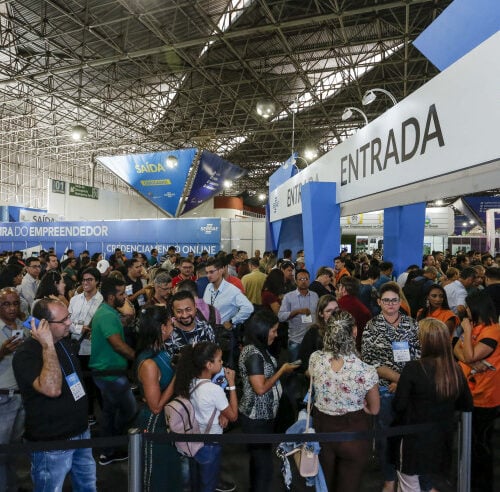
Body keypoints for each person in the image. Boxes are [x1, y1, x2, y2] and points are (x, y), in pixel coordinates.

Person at [12, 298, 96, 491]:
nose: (69, 323)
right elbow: (52, 389)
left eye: (69, 317)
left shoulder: (62, 342)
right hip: (52, 441)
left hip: (81, 432)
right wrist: (47, 345)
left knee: (88, 486)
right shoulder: (27, 354)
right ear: (43, 325)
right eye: (63, 320)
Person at [392, 318, 472, 491]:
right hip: (442, 440)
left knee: (410, 485)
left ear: (424, 341)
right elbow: (466, 404)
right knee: (434, 485)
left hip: (413, 441)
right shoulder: (455, 369)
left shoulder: (413, 369)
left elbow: (399, 405)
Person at [309, 311, 379, 492]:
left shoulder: (315, 359)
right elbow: (375, 408)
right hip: (353, 432)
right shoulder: (366, 370)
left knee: (323, 485)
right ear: (354, 332)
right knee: (350, 485)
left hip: (322, 430)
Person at [361, 283, 420, 492]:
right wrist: (396, 379)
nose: (391, 304)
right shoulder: (371, 326)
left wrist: (403, 382)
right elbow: (369, 362)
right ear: (379, 302)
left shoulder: (411, 325)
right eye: (386, 300)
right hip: (384, 390)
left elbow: (419, 356)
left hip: (410, 389)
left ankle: (408, 479)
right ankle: (389, 479)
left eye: (394, 300)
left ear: (400, 302)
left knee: (410, 437)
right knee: (385, 437)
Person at [238, 310, 298, 492]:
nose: (276, 334)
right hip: (256, 418)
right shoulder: (253, 354)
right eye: (273, 330)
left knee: (259, 465)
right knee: (264, 467)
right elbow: (261, 388)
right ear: (262, 330)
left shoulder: (257, 349)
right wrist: (282, 371)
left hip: (262, 417)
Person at [174, 342, 238, 492]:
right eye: (219, 360)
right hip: (210, 442)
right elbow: (234, 416)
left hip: (193, 440)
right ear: (209, 364)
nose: (222, 363)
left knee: (195, 482)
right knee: (208, 484)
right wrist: (232, 384)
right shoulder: (214, 390)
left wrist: (222, 413)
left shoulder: (189, 382)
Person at [453, 290, 500, 492]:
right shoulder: (476, 327)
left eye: (469, 308)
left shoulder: (492, 331)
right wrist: (468, 355)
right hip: (469, 392)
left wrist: (466, 332)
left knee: (480, 446)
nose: (467, 311)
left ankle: (482, 485)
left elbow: (469, 354)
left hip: (485, 396)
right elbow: (455, 347)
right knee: (470, 445)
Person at [90, 277, 136, 466]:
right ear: (111, 296)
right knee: (129, 410)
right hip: (110, 374)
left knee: (110, 412)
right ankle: (110, 448)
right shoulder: (107, 315)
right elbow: (118, 345)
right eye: (121, 294)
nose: (124, 297)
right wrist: (139, 357)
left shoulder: (107, 312)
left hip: (108, 372)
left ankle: (109, 449)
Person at [135, 305, 182, 492]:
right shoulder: (148, 363)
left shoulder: (160, 351)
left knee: (170, 475)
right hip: (156, 424)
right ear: (162, 327)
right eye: (170, 323)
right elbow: (155, 406)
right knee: (156, 478)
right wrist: (178, 375)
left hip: (168, 423)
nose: (173, 326)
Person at [68, 267, 103, 426]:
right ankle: (84, 412)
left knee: (94, 384)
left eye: (90, 280)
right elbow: (66, 322)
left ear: (97, 281)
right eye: (84, 280)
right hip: (75, 347)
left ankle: (96, 415)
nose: (86, 283)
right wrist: (78, 328)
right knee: (77, 383)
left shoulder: (102, 301)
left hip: (93, 349)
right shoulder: (75, 300)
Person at [0, 288, 25, 491]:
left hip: (22, 397)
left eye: (15, 303)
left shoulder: (23, 326)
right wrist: (2, 352)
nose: (11, 308)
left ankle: (11, 485)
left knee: (13, 451)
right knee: (2, 453)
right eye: (6, 304)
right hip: (2, 399)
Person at [278, 268, 319, 361]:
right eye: (300, 279)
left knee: (311, 367)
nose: (303, 282)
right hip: (296, 339)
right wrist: (296, 312)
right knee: (295, 367)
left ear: (309, 280)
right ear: (296, 281)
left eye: (306, 279)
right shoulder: (289, 297)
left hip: (313, 339)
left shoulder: (315, 295)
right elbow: (281, 317)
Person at [298, 294, 339, 370]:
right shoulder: (313, 333)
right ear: (321, 314)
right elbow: (304, 362)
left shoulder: (344, 329)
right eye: (329, 311)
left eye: (336, 309)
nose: (334, 313)